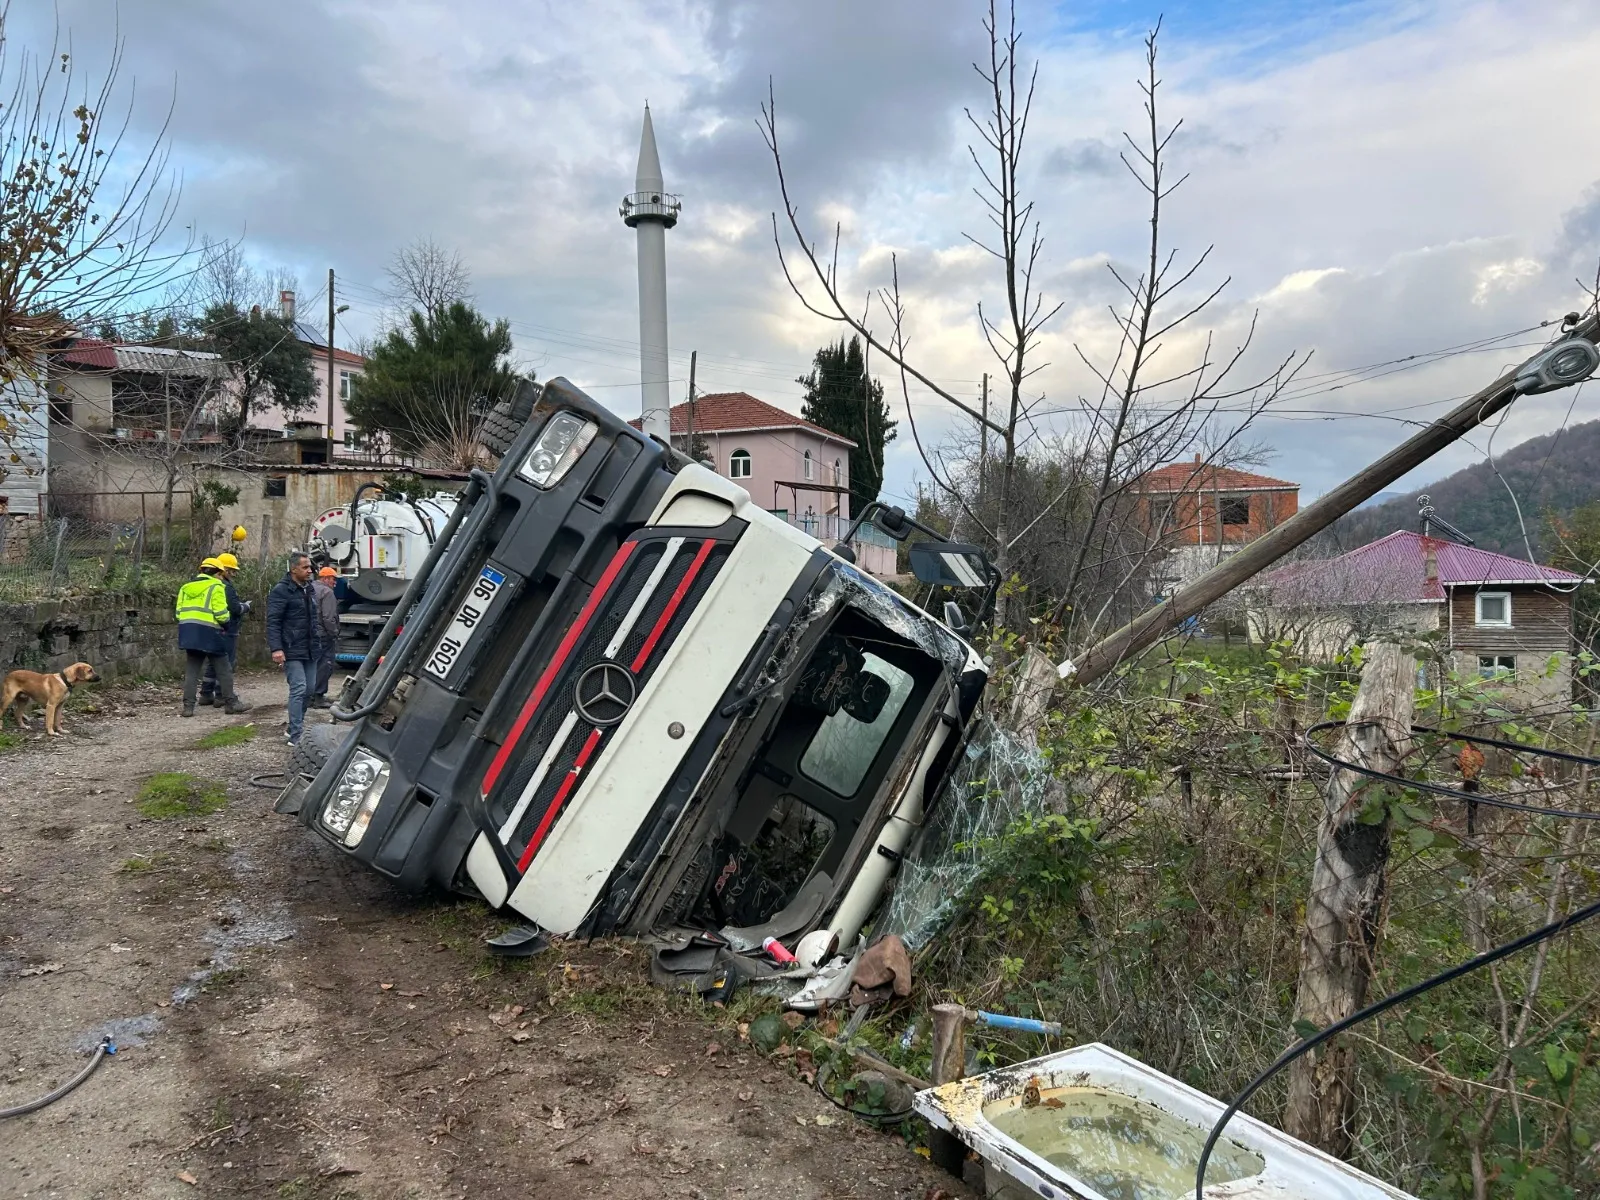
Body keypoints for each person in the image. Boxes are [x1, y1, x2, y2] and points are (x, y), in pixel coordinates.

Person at [177, 558, 250, 717]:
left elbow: (178, 613)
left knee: (192, 671)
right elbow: (221, 614)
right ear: (218, 573)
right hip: (211, 633)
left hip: (189, 633)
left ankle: (188, 707)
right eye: (221, 574)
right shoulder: (217, 586)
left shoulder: (185, 587)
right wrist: (226, 625)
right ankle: (231, 703)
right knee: (224, 668)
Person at [266, 552, 322, 746]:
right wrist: (276, 649)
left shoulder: (309, 589)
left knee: (310, 689)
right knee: (298, 688)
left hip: (311, 648)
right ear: (293, 569)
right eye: (305, 567)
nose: (310, 570)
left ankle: (292, 727)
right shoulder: (281, 591)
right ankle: (297, 734)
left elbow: (313, 618)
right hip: (292, 648)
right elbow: (273, 621)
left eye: (310, 567)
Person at [198, 551, 249, 707]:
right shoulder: (225, 587)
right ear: (224, 570)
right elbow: (233, 608)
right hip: (227, 629)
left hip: (211, 629)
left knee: (213, 663)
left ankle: (206, 693)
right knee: (226, 663)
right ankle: (222, 695)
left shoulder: (206, 585)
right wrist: (245, 607)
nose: (233, 574)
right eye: (232, 571)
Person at [309, 566, 340, 708]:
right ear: (325, 578)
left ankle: (309, 696)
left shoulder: (309, 588)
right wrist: (334, 632)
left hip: (310, 634)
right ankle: (318, 697)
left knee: (312, 665)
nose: (335, 583)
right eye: (333, 579)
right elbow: (328, 617)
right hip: (323, 635)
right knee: (325, 665)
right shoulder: (327, 592)